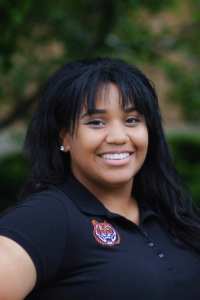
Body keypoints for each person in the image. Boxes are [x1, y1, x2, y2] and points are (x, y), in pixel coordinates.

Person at [0, 57, 200, 300]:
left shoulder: (169, 213)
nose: (118, 136)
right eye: (96, 122)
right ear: (64, 137)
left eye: (132, 120)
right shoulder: (46, 217)